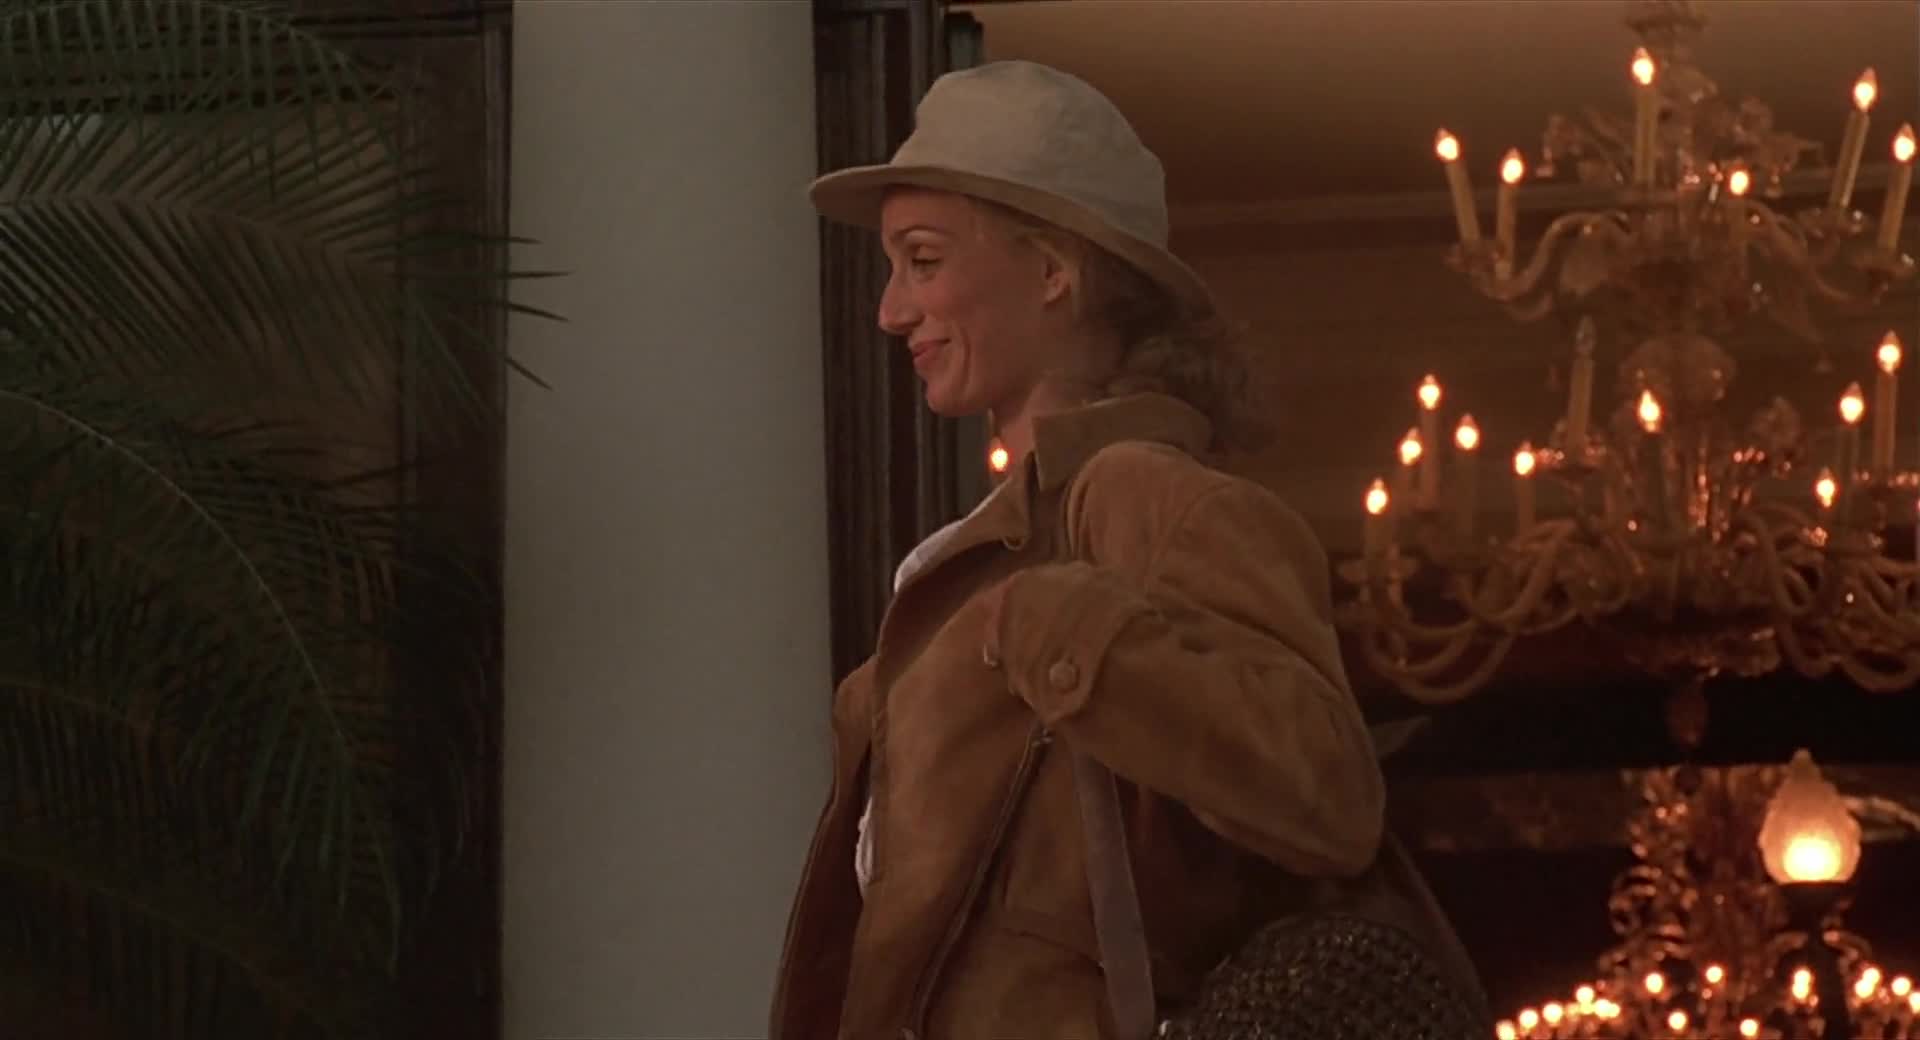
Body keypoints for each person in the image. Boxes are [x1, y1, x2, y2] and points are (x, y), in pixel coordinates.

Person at [770, 60, 1463, 1040]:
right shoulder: (989, 541)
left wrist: (1067, 631)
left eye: (922, 260)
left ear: (1054, 271)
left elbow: (1329, 795)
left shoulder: (1147, 496)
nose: (890, 309)